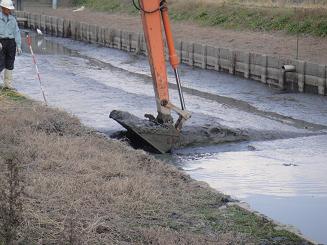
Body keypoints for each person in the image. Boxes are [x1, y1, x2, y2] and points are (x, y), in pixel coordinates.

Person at [0, 0, 21, 90]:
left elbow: (17, 32)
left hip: (11, 42)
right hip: (1, 41)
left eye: (10, 9)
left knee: (10, 62)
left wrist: (19, 45)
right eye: (8, 9)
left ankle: (7, 84)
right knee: (1, 62)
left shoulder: (12, 19)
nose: (9, 10)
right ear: (3, 8)